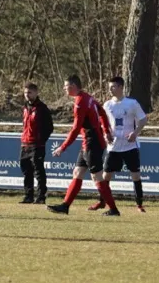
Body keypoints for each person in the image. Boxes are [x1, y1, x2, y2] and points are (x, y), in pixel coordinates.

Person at [48, 74, 118, 216]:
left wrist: (63, 147)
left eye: (66, 86)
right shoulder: (87, 97)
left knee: (97, 177)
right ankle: (65, 206)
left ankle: (113, 209)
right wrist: (106, 131)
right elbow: (102, 112)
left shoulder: (80, 102)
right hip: (90, 142)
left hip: (92, 143)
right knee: (77, 172)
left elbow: (75, 128)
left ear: (73, 86)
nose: (64, 88)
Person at [103, 76, 149, 212]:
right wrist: (106, 134)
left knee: (135, 175)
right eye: (109, 87)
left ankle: (139, 204)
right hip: (113, 146)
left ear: (121, 87)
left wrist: (135, 133)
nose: (110, 89)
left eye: (113, 87)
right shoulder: (107, 105)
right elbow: (103, 123)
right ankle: (103, 202)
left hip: (130, 146)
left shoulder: (132, 103)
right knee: (106, 176)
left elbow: (143, 119)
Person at [19, 82, 54, 204]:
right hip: (25, 144)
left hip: (37, 145)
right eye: (25, 92)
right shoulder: (24, 107)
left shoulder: (42, 108)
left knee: (38, 171)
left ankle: (41, 196)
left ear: (36, 93)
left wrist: (41, 139)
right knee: (26, 171)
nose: (27, 95)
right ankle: (28, 196)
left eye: (29, 92)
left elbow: (49, 127)